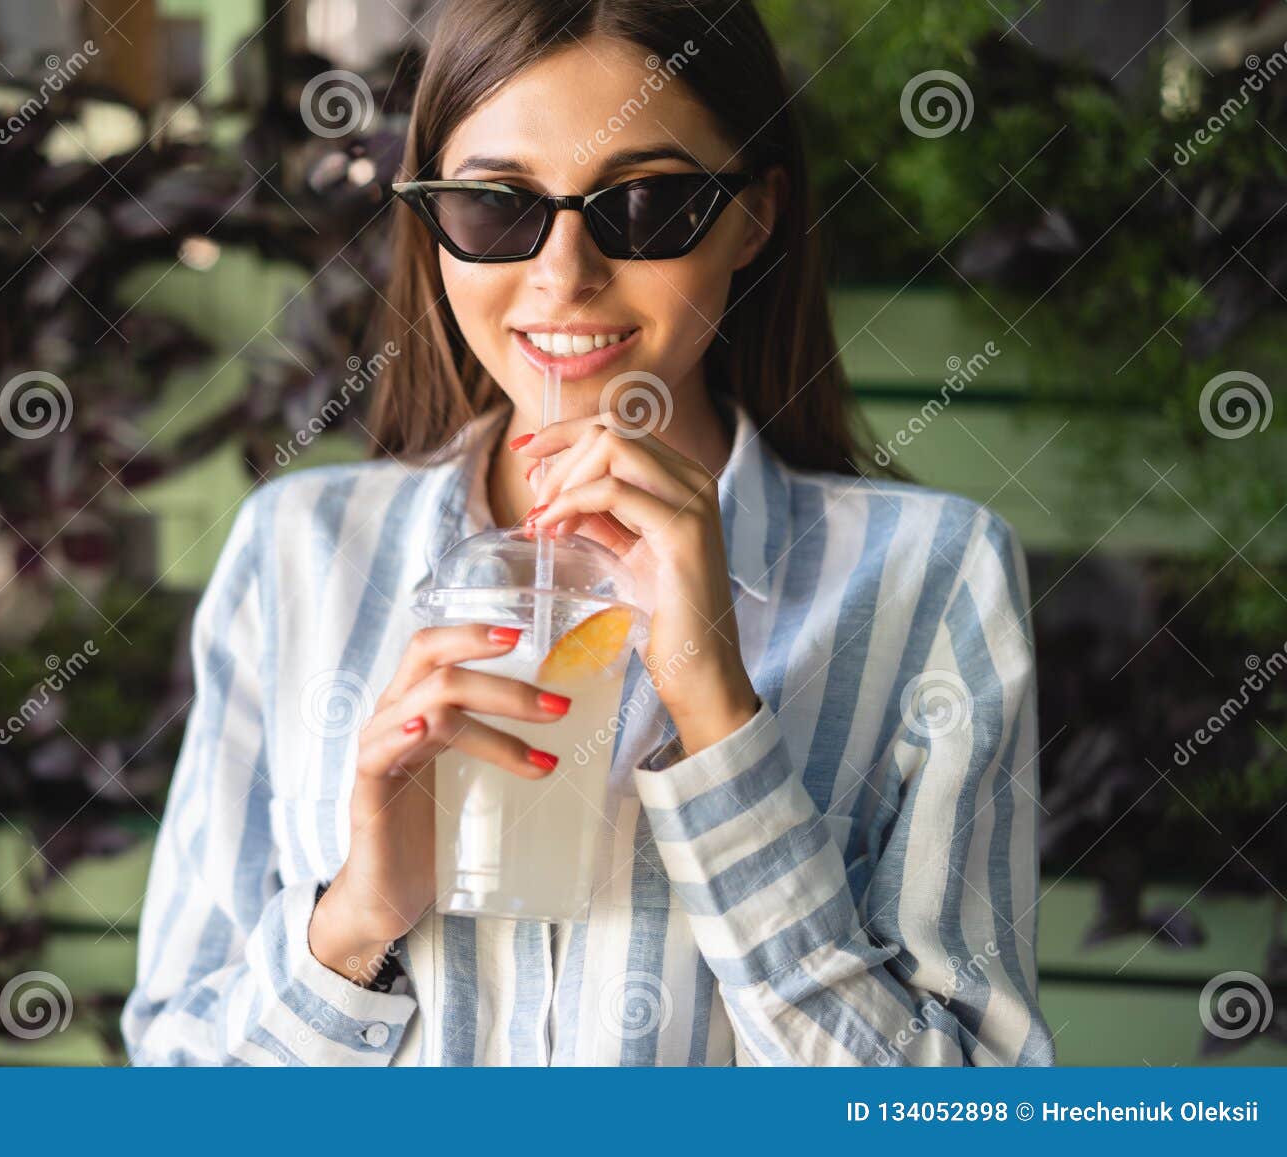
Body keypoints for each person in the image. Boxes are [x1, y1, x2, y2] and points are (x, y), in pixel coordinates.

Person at [123, 0, 1055, 1066]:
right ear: (431, 226)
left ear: (755, 214)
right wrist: (354, 920)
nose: (562, 274)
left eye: (646, 204)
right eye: (492, 205)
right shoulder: (294, 551)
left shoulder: (934, 578)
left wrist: (719, 717)